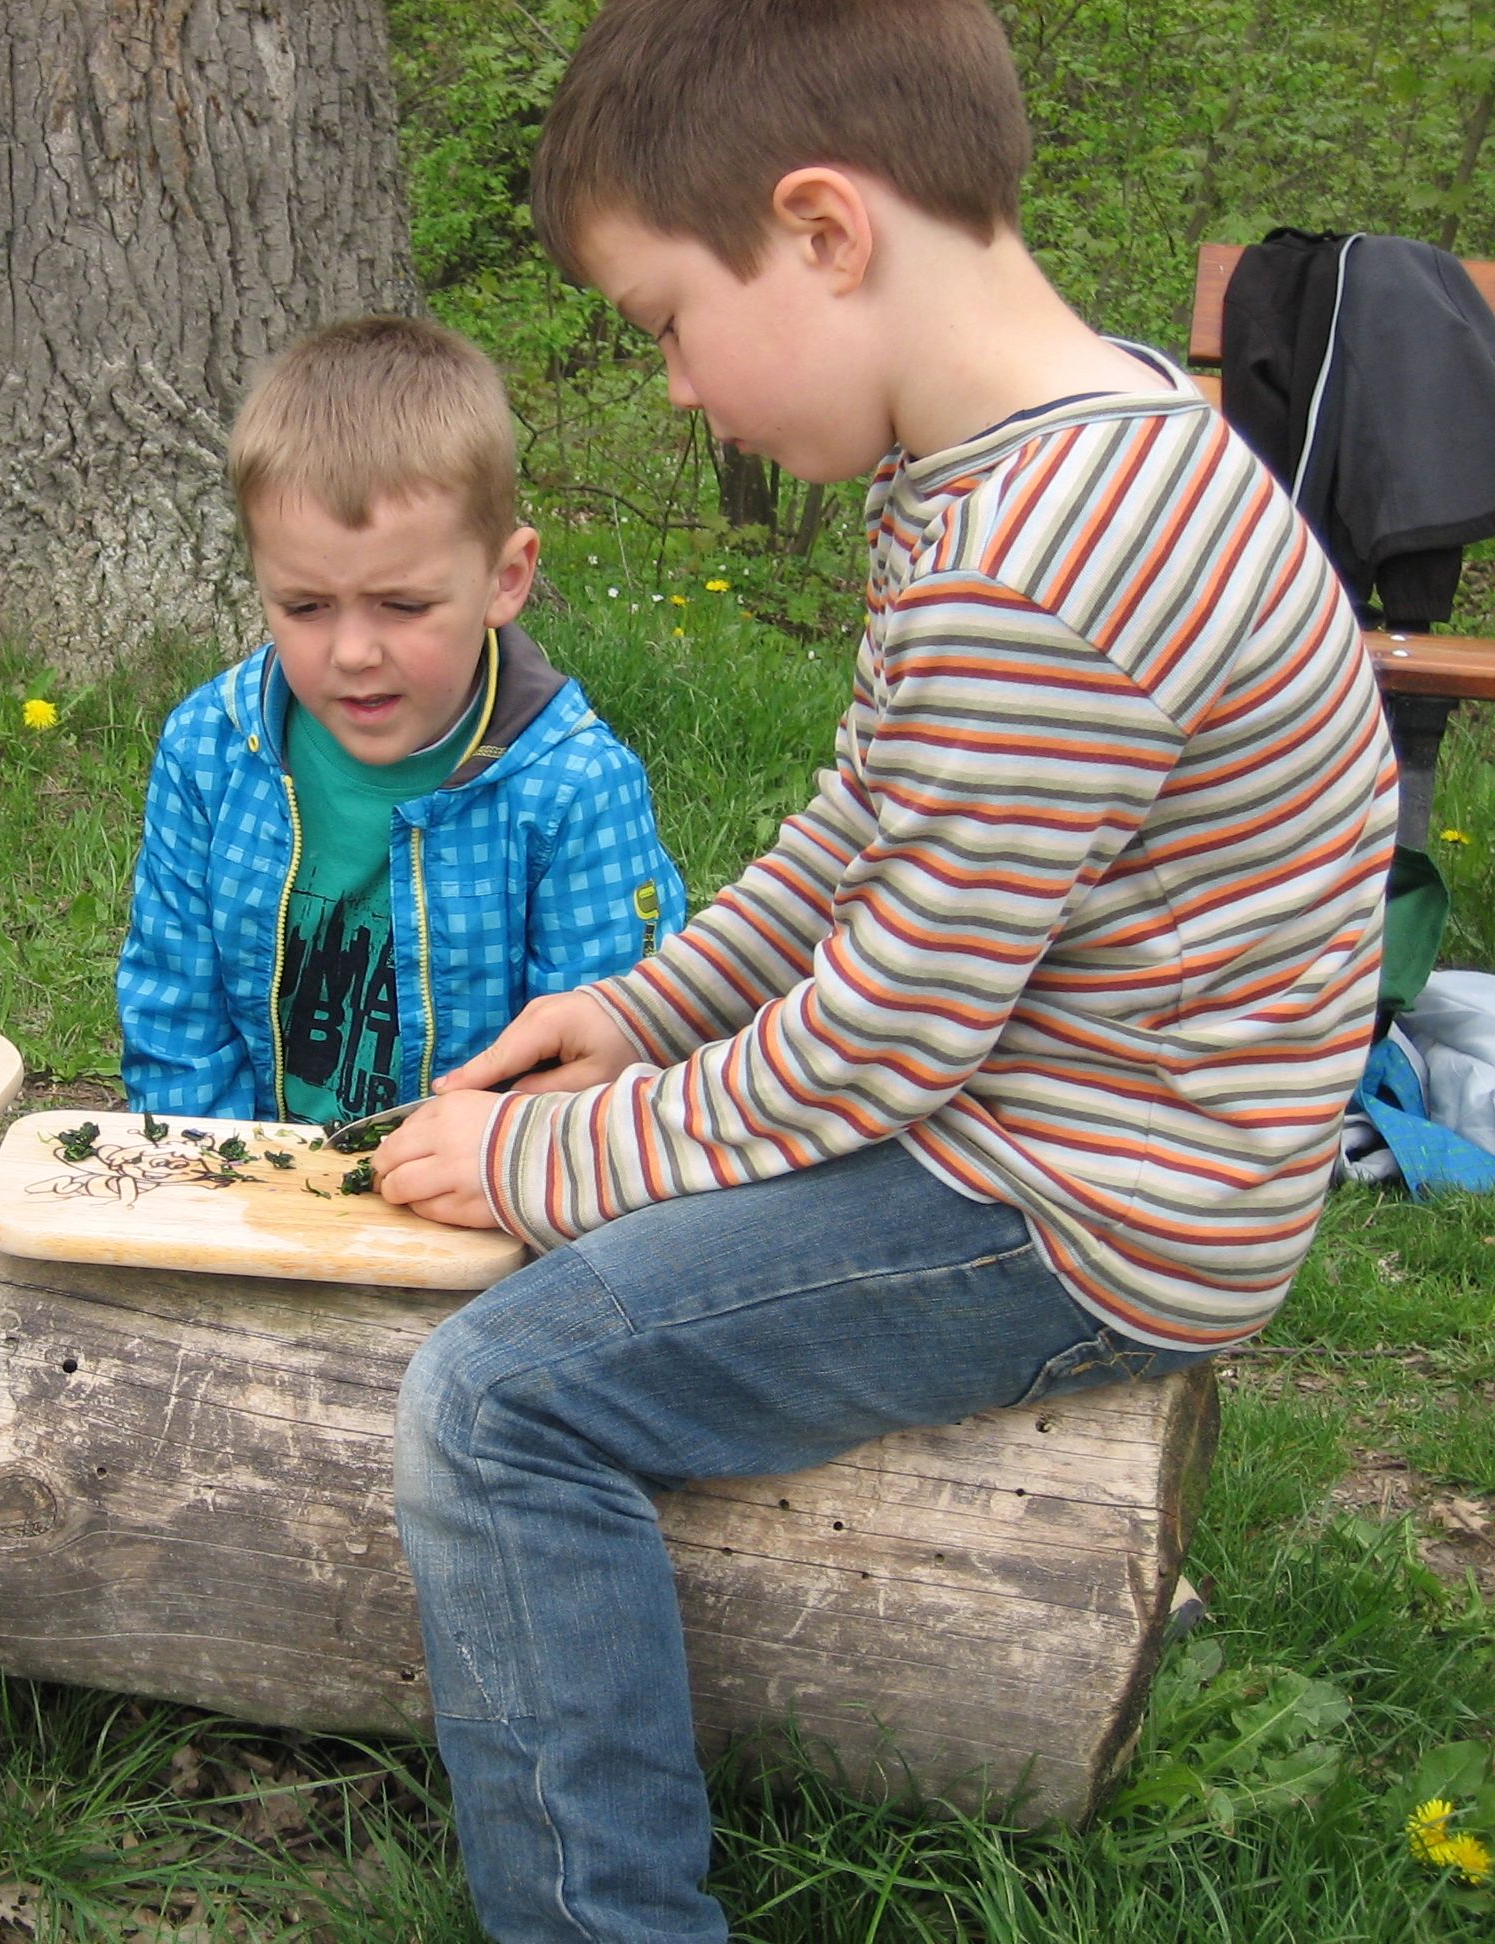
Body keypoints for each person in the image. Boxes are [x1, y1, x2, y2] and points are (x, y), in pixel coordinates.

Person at [365, 1, 1400, 1937]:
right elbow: (863, 826)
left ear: (823, 230)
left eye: (669, 320)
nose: (677, 386)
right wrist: (642, 1011)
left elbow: (874, 1050)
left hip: (1083, 1204)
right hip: (1079, 1123)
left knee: (500, 1399)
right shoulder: (1053, 437)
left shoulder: (1040, 563)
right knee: (614, 1212)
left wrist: (541, 1159)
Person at [117, 315, 686, 1125]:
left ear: (506, 578)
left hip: (484, 1186)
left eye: (404, 605)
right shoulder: (210, 749)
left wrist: (484, 1175)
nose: (353, 652)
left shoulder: (575, 791)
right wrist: (212, 1178)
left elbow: (598, 1076)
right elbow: (176, 1020)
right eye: (305, 606)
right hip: (247, 1184)